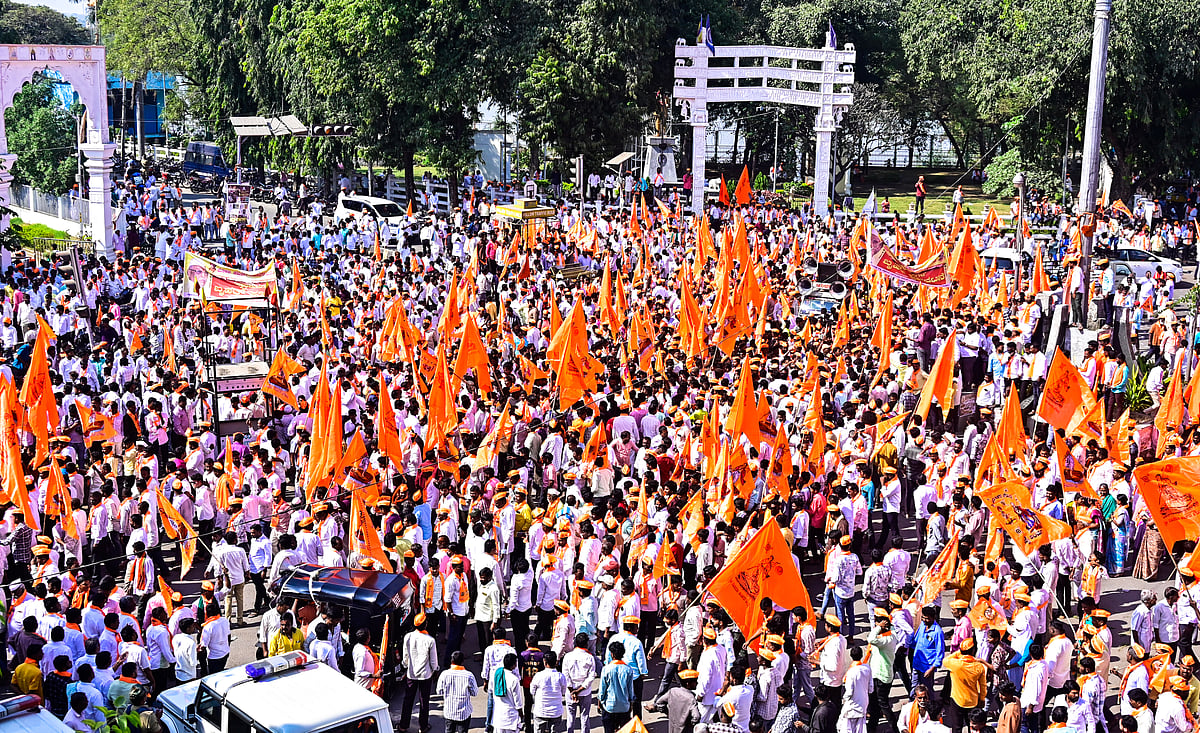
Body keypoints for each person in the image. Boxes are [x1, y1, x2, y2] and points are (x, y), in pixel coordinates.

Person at [399, 612, 439, 733]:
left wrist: (405, 666)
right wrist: (435, 670)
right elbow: (433, 660)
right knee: (424, 701)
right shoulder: (430, 640)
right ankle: (423, 726)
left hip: (411, 673)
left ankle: (403, 725)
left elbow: (405, 656)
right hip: (425, 675)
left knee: (408, 700)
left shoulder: (408, 637)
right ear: (425, 624)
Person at [599, 641, 637, 733]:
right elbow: (630, 690)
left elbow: (602, 690)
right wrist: (631, 704)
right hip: (624, 707)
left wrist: (601, 702)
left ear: (612, 654)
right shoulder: (628, 669)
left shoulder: (606, 669)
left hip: (609, 707)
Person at [436, 651, 478, 733]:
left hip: (449, 712)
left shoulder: (444, 674)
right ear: (462, 662)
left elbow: (439, 691)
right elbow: (475, 693)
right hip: (464, 713)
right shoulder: (469, 675)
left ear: (451, 661)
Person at [563, 633, 597, 733]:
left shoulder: (568, 656)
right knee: (585, 717)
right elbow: (591, 677)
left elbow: (565, 675)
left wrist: (572, 691)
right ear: (586, 644)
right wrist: (579, 690)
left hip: (570, 693)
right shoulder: (589, 657)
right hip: (585, 692)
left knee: (570, 717)